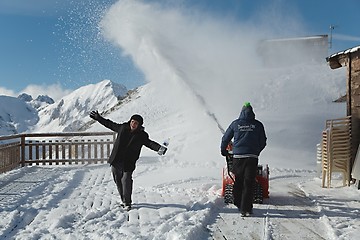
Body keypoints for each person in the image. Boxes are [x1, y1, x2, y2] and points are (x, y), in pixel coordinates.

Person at [90, 111, 167, 211]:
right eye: (132, 121)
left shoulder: (141, 135)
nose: (133, 124)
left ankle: (127, 202)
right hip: (116, 159)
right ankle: (123, 200)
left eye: (136, 123)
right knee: (118, 180)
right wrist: (98, 118)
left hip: (129, 162)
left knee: (126, 180)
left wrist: (159, 148)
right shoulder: (122, 128)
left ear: (139, 125)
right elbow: (110, 124)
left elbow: (149, 143)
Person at [220, 102, 267, 217]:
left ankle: (238, 202)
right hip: (252, 158)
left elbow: (225, 138)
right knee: (249, 182)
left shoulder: (235, 124)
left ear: (241, 112)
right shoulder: (258, 125)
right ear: (252, 112)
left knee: (239, 180)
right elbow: (263, 141)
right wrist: (256, 151)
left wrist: (223, 150)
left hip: (238, 158)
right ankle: (246, 209)